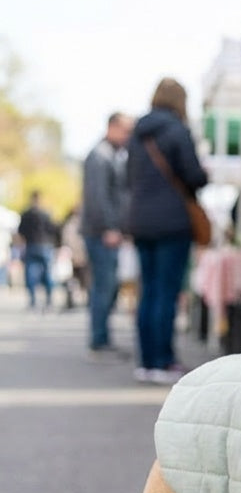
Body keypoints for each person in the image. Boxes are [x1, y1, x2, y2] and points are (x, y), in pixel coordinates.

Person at [127, 77, 208, 385]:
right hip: (172, 221)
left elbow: (128, 178)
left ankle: (146, 361)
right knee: (166, 292)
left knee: (148, 291)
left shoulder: (137, 133)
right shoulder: (177, 130)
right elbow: (193, 175)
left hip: (140, 220)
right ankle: (162, 360)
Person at [81, 112, 133, 354]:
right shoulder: (100, 156)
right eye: (125, 131)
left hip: (104, 231)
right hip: (101, 232)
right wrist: (109, 228)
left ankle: (101, 337)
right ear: (112, 127)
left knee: (107, 286)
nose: (127, 137)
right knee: (104, 286)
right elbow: (98, 197)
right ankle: (99, 340)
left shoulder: (108, 155)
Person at [16, 191, 57, 311]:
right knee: (47, 273)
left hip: (32, 245)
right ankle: (49, 299)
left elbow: (20, 232)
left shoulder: (26, 214)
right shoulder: (46, 214)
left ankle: (33, 300)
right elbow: (53, 229)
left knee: (30, 274)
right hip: (45, 245)